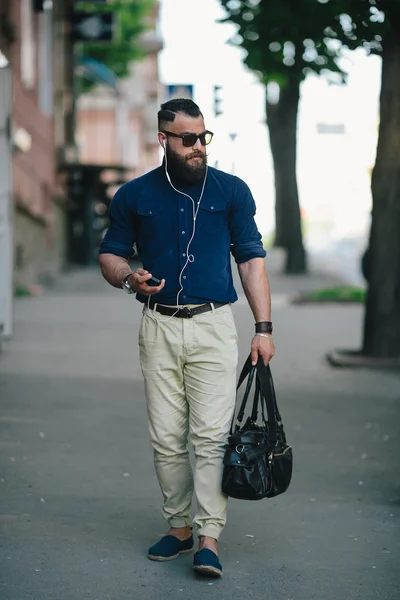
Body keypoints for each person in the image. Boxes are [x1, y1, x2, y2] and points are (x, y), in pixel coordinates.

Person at [98, 98, 275, 578]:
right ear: (163, 140)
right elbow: (110, 255)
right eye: (188, 139)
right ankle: (178, 528)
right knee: (166, 437)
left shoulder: (232, 191)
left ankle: (208, 537)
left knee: (212, 437)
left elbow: (251, 260)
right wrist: (129, 276)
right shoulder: (133, 196)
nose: (199, 147)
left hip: (215, 325)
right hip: (157, 322)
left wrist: (263, 328)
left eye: (204, 137)